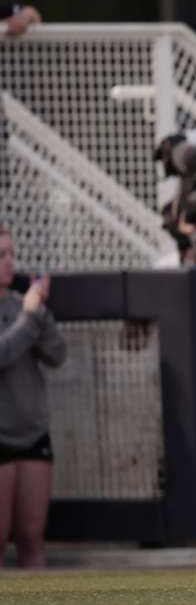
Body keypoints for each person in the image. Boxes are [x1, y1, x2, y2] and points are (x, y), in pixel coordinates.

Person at [0, 224, 67, 568]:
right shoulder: (21, 311)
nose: (9, 262)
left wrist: (40, 310)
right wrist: (29, 318)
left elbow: (56, 355)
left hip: (33, 432)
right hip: (1, 436)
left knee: (31, 536)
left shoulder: (23, 303)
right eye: (1, 255)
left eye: (11, 254)